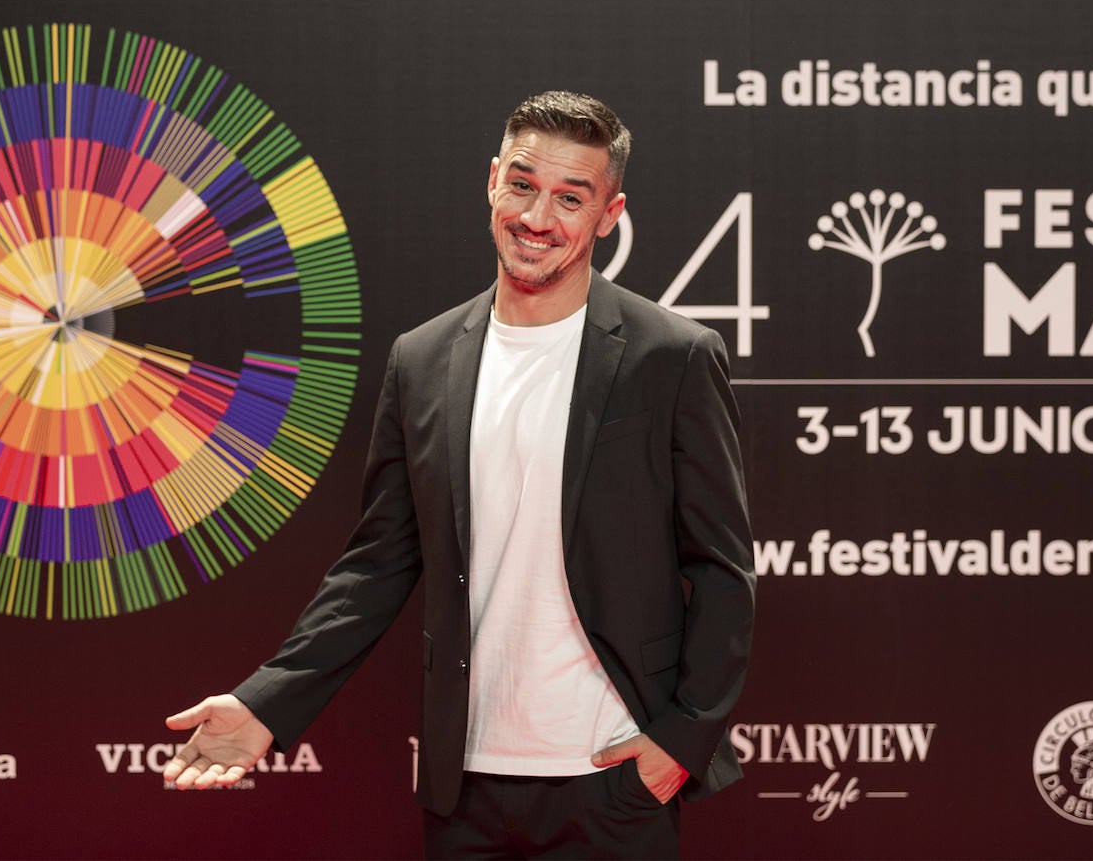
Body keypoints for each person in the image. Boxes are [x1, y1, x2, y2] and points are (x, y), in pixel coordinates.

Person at [164, 91, 756, 859]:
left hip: (614, 778)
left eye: (570, 198)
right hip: (464, 783)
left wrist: (681, 740)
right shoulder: (422, 357)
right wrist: (267, 703)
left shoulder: (670, 356)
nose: (538, 217)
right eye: (522, 185)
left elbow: (722, 569)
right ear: (491, 182)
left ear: (608, 215)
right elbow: (377, 564)